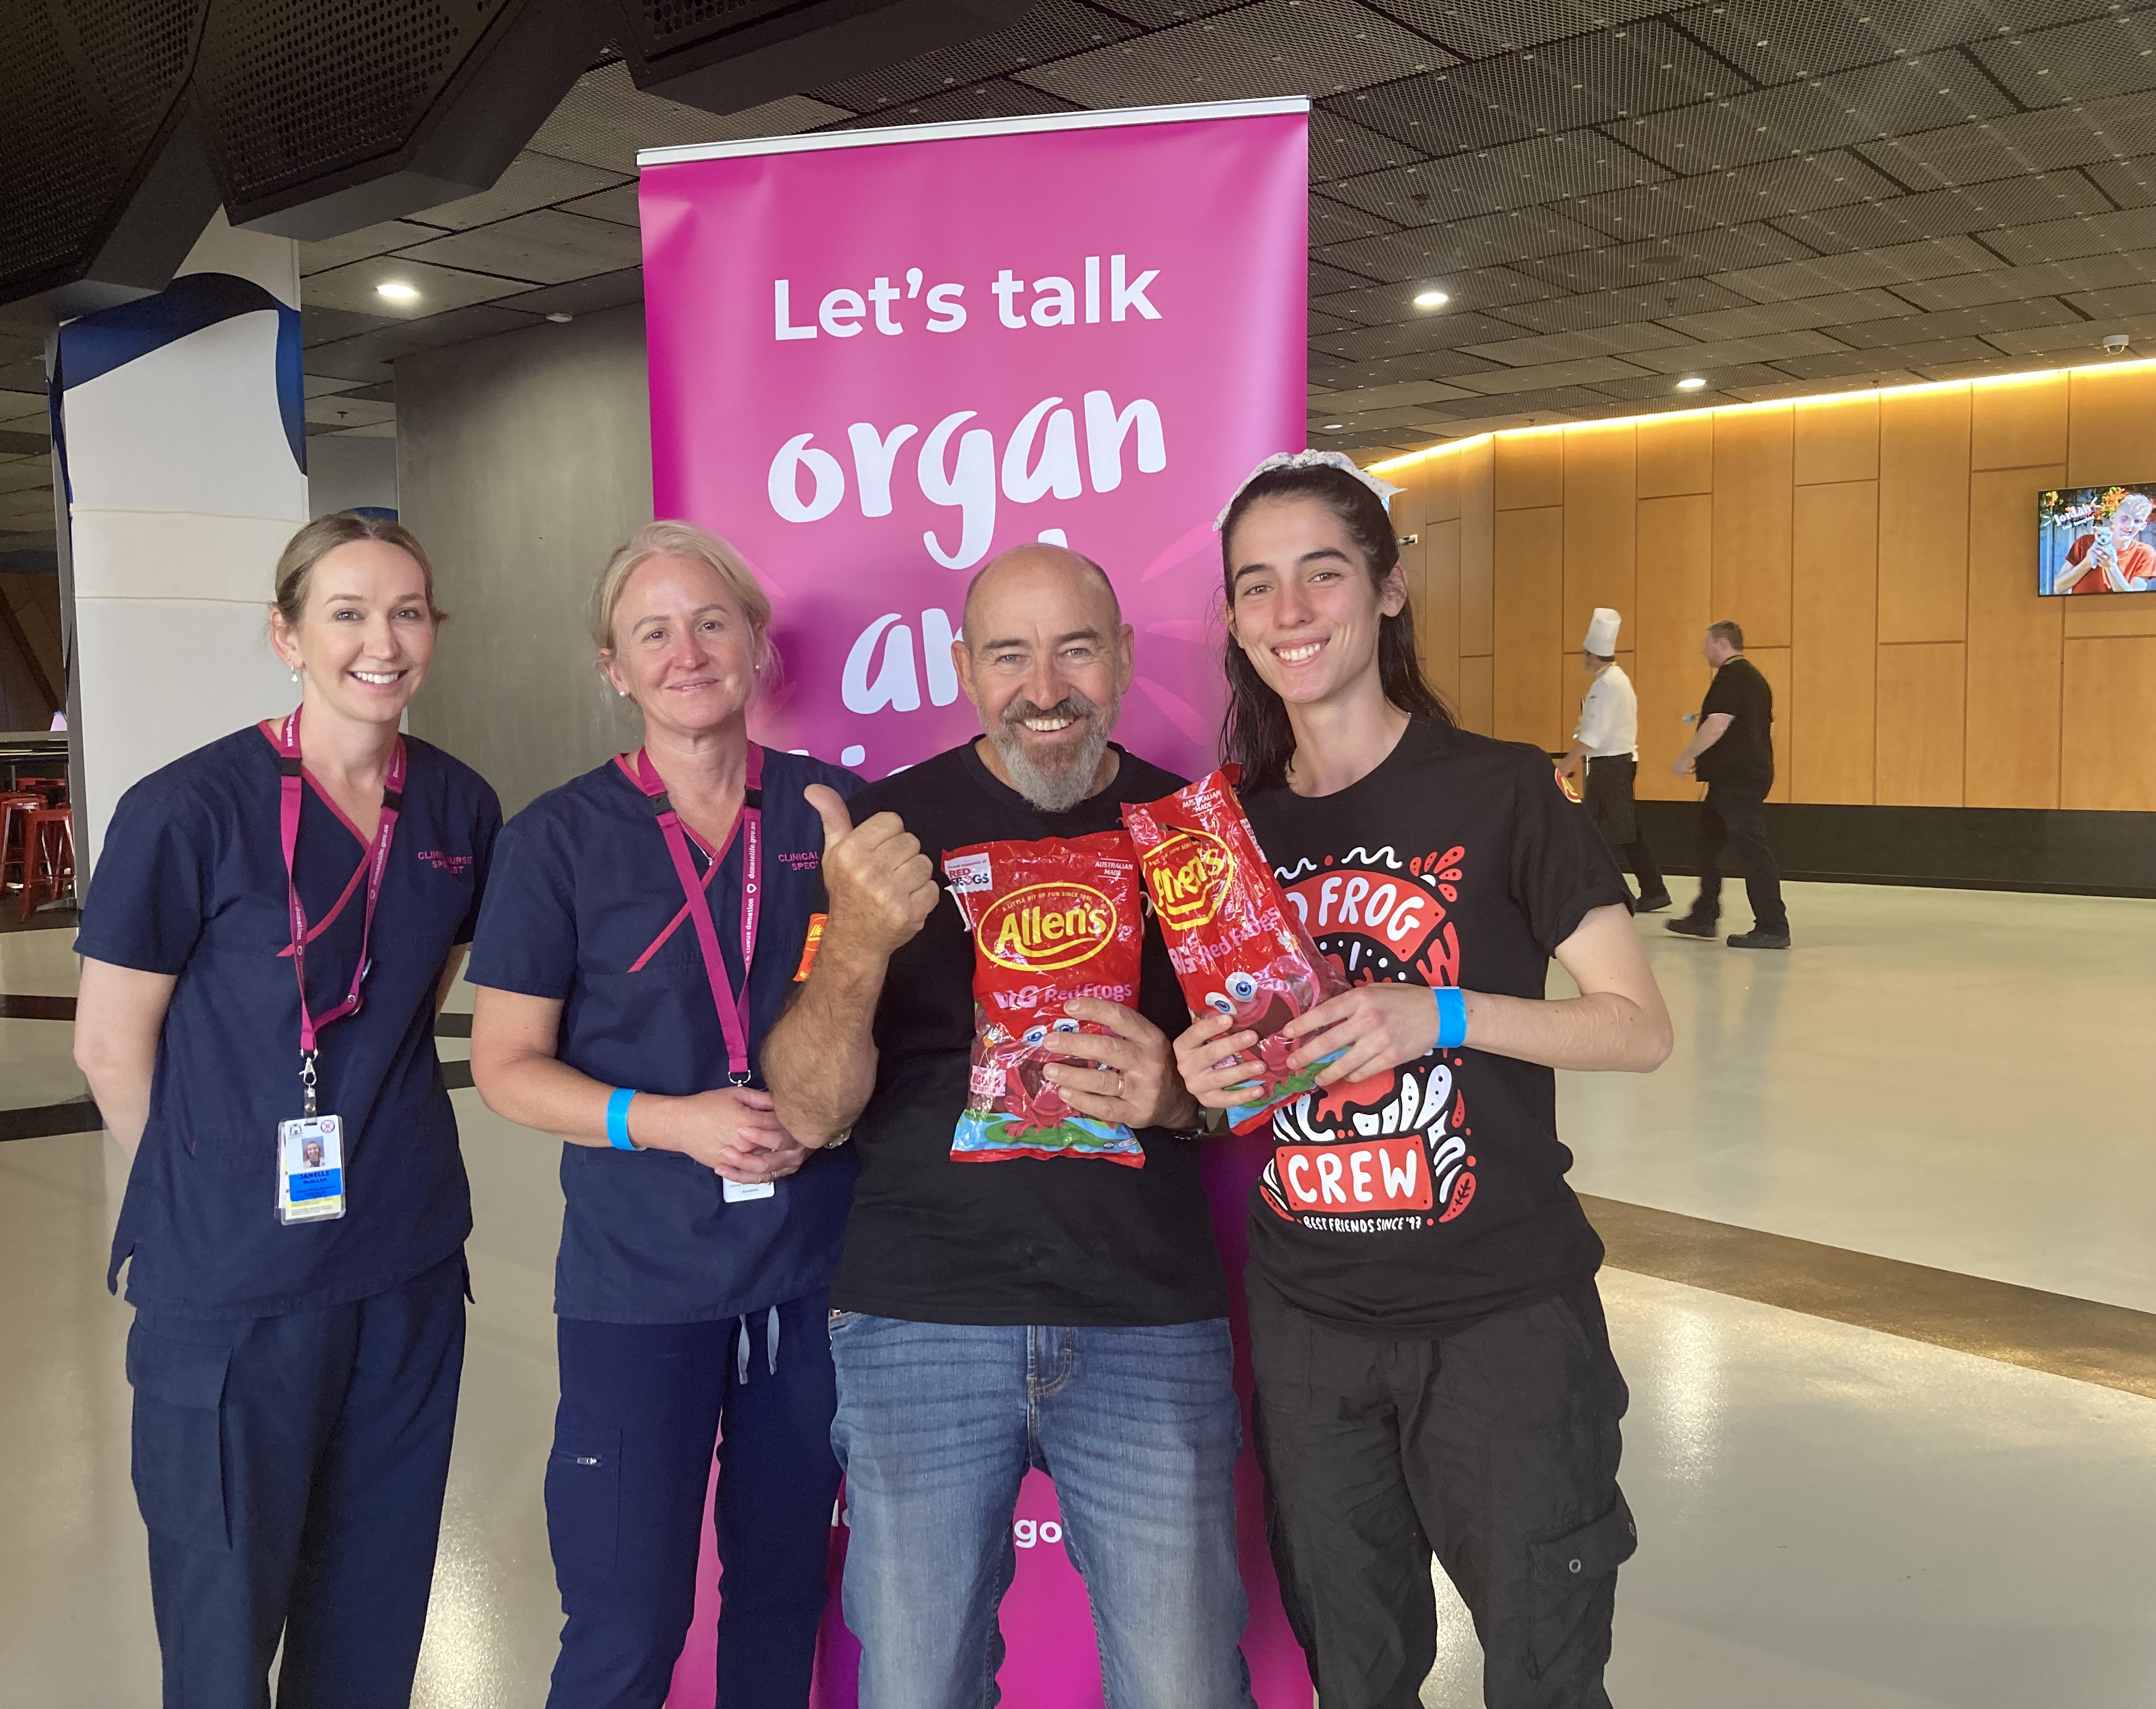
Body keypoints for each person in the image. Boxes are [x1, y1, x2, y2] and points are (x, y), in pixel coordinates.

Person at [1171, 452, 1673, 1709]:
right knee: (1355, 1676)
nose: (1291, 612)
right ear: (1233, 620)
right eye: (1257, 586)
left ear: (1388, 590)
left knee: (1544, 1677)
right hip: (1310, 1326)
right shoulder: (1223, 829)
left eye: (1322, 574)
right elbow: (1237, 1084)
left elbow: (1636, 1027)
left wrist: (1437, 1012)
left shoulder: (1502, 789)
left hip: (1500, 1318)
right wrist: (1205, 1071)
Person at [758, 543, 1253, 1709]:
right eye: (1010, 655)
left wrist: (1178, 1097)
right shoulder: (883, 834)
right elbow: (809, 1112)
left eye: (1077, 648)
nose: (1046, 687)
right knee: (919, 1687)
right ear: (963, 670)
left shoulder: (1192, 833)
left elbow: (1258, 1079)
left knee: (1186, 1685)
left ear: (1125, 658)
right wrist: (862, 944)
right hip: (919, 1318)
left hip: (1147, 1320)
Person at [72, 512, 502, 1709]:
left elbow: (420, 994)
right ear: (287, 635)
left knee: (373, 1612)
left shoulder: (460, 810)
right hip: (229, 1289)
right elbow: (110, 1045)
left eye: (408, 612)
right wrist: (207, 1203)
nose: (383, 641)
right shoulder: (187, 810)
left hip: (403, 1267)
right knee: (221, 1634)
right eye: (348, 613)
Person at [465, 522, 863, 1709]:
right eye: (654, 632)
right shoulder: (554, 843)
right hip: (638, 1285)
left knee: (786, 1595)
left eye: (711, 623)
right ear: (614, 667)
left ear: (755, 646)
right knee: (627, 1619)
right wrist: (669, 1121)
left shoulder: (830, 817)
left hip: (810, 1273)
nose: (686, 652)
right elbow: (507, 1066)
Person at [1668, 621, 1788, 949]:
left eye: (1707, 644)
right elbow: (1768, 728)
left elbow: (1718, 723)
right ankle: (1704, 914)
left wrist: (1687, 755)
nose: (1703, 650)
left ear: (1721, 644)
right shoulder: (1754, 679)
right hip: (1735, 777)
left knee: (1752, 850)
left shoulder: (1733, 677)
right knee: (1708, 843)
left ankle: (1773, 925)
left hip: (1738, 780)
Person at [1556, 606, 1669, 913]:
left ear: (1593, 655)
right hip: (1609, 763)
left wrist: (1565, 766)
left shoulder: (1607, 684)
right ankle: (1604, 887)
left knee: (1624, 830)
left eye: (1585, 654)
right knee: (1596, 829)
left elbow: (1594, 734)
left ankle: (1651, 889)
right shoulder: (1612, 681)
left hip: (1612, 764)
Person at [2057, 489, 2156, 593]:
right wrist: (2088, 562)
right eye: (2124, 518)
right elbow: (2059, 588)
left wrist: (2111, 566)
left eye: (2137, 521)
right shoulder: (2085, 543)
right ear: (2113, 517)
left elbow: (2134, 602)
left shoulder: (2145, 553)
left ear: (2143, 526)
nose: (2129, 526)